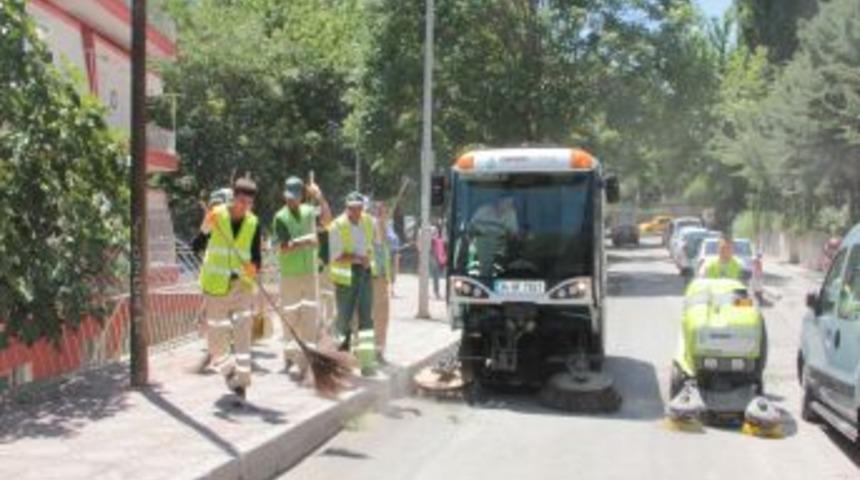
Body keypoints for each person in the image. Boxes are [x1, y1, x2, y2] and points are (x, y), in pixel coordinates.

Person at [197, 177, 261, 400]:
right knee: (216, 341)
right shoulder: (217, 215)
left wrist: (254, 269)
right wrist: (206, 224)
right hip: (215, 287)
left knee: (243, 333)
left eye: (249, 203)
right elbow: (196, 244)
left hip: (241, 286)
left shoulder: (253, 223)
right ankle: (228, 370)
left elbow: (255, 257)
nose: (245, 207)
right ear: (234, 198)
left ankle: (241, 383)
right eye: (242, 201)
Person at [272, 176, 332, 376]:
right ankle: (290, 356)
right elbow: (283, 247)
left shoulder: (309, 211)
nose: (291, 201)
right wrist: (305, 240)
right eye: (288, 197)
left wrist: (320, 197)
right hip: (290, 275)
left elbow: (327, 220)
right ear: (284, 195)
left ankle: (305, 358)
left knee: (309, 317)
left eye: (295, 197)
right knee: (290, 317)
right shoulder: (280, 217)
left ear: (302, 196)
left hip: (310, 274)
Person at [328, 192, 378, 376]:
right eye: (352, 208)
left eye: (359, 207)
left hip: (364, 274)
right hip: (345, 277)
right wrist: (358, 257)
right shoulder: (337, 226)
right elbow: (336, 255)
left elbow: (373, 242)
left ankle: (366, 363)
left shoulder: (368, 221)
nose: (356, 211)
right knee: (344, 321)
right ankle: (340, 362)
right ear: (346, 207)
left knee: (366, 319)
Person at [468, 196, 518, 277]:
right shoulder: (483, 210)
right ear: (499, 202)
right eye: (507, 203)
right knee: (482, 267)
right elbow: (471, 227)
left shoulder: (511, 215)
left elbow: (514, 234)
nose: (509, 206)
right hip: (482, 241)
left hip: (500, 244)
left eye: (511, 204)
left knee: (498, 269)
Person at [370, 201, 395, 362]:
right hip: (370, 277)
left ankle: (379, 351)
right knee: (369, 316)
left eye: (384, 212)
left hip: (382, 277)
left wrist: (390, 275)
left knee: (383, 317)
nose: (382, 214)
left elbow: (388, 252)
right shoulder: (370, 225)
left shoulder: (386, 228)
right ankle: (365, 351)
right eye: (379, 211)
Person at [430, 219, 447, 300]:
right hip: (435, 256)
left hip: (435, 257)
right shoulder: (438, 236)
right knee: (435, 275)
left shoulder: (439, 237)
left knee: (435, 276)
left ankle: (436, 292)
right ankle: (436, 292)